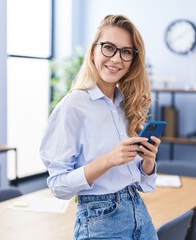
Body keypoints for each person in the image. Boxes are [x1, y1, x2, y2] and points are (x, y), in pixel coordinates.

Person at [40, 14, 160, 239]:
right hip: (100, 219)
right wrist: (108, 160)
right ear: (94, 50)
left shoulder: (127, 104)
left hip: (138, 212)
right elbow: (58, 186)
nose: (116, 59)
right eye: (108, 48)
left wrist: (148, 163)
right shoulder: (72, 106)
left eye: (126, 52)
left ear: (133, 60)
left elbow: (146, 184)